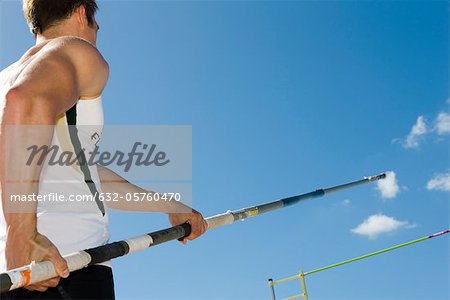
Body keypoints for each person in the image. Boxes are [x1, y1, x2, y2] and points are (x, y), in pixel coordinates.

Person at [0, 0, 207, 299]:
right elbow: (26, 99)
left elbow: (85, 176)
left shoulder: (4, 79)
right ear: (83, 13)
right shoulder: (76, 50)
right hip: (67, 267)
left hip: (12, 274)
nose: (97, 35)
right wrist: (22, 233)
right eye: (97, 26)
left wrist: (170, 205)